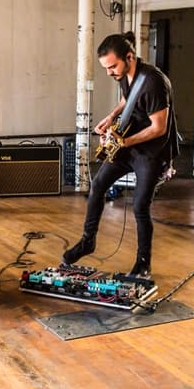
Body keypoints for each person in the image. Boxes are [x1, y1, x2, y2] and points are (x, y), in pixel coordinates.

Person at [62, 32, 177, 277]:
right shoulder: (126, 75)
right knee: (98, 185)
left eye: (112, 66)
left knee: (140, 207)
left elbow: (159, 128)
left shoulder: (154, 82)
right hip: (128, 144)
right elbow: (128, 98)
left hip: (151, 151)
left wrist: (124, 142)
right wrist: (111, 117)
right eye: (106, 67)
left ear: (130, 57)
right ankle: (87, 241)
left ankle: (143, 263)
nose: (109, 72)